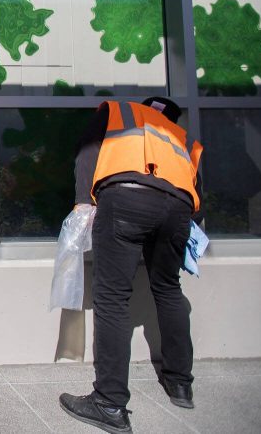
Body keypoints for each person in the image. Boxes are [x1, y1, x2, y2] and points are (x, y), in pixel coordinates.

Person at [60, 97, 203, 434]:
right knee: (168, 289)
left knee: (111, 297)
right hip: (178, 207)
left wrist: (83, 203)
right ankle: (180, 384)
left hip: (124, 197)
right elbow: (196, 191)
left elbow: (87, 151)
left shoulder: (118, 111)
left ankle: (109, 403)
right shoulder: (180, 138)